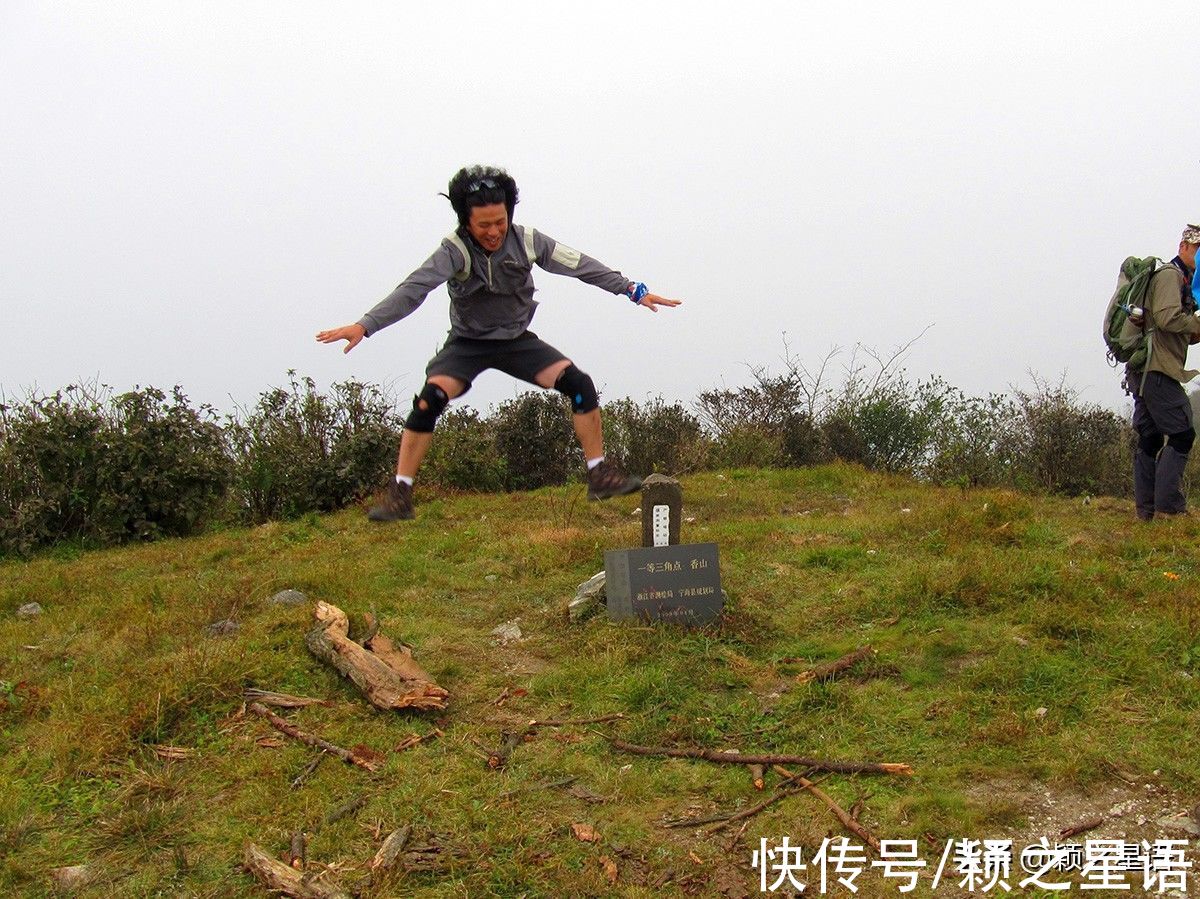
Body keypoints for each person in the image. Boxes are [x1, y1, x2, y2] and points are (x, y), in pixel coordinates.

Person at [317, 165, 682, 521]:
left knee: (580, 385)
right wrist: (365, 325)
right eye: (484, 225)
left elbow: (579, 264)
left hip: (516, 342)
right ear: (466, 221)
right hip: (466, 344)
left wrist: (633, 290)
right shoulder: (454, 251)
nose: (494, 232)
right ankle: (401, 493)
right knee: (429, 401)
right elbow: (414, 290)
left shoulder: (527, 240)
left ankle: (599, 475)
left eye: (500, 222)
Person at [1127, 224, 1200, 520]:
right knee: (1183, 434)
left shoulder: (1183, 280)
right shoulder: (1171, 276)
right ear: (1183, 247)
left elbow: (1172, 326)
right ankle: (1169, 507)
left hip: (1145, 370)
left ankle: (1146, 513)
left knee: (1150, 438)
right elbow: (1168, 318)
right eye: (1197, 249)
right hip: (1157, 369)